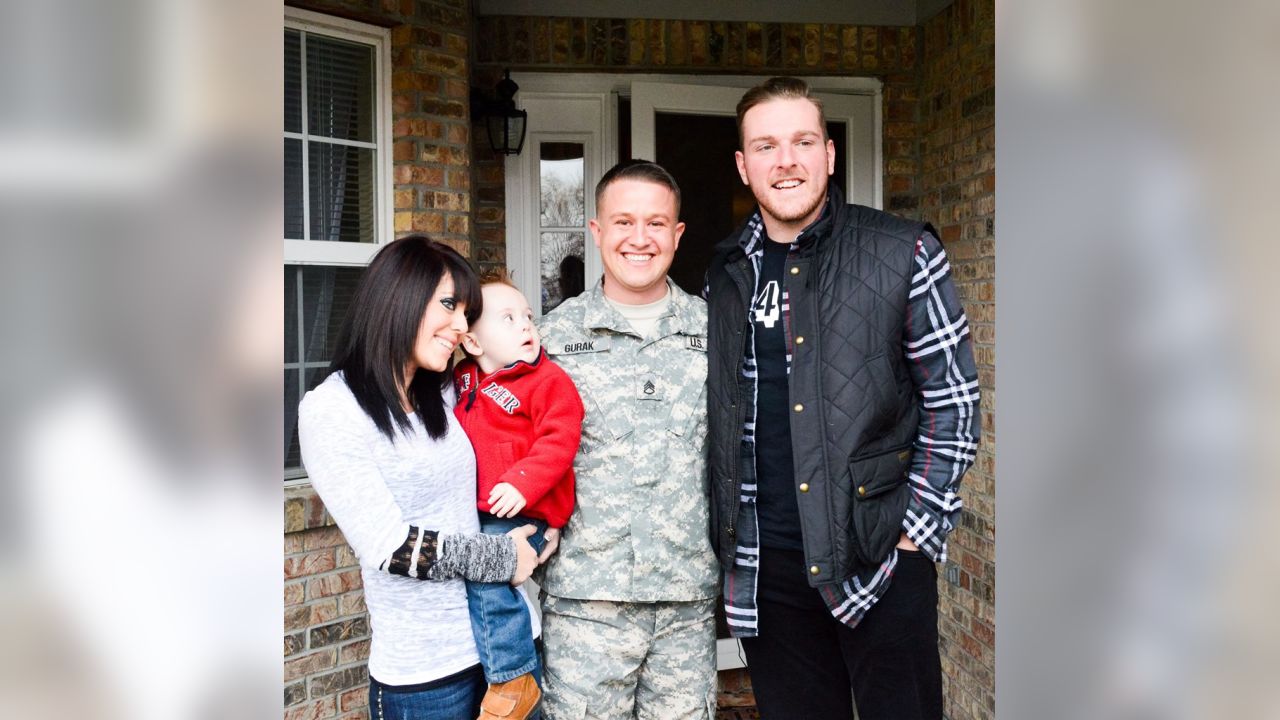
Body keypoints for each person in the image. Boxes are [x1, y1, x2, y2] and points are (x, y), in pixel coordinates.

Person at [704, 77, 981, 719]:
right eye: (766, 146)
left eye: (803, 141)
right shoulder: (726, 270)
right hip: (767, 568)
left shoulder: (902, 250)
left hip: (879, 557)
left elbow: (954, 400)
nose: (787, 160)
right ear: (745, 167)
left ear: (829, 154)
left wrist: (916, 534)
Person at [297, 235, 541, 720]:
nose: (460, 324)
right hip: (429, 675)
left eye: (466, 311)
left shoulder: (448, 393)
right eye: (448, 305)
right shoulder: (332, 410)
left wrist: (542, 532)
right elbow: (389, 546)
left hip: (510, 652)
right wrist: (502, 557)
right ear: (397, 296)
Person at [537, 160, 719, 719]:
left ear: (677, 234)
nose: (639, 239)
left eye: (656, 224)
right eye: (622, 222)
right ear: (596, 231)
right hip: (584, 604)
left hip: (686, 603)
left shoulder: (717, 332)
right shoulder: (551, 339)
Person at [453, 272, 585, 720]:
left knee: (488, 580)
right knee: (488, 582)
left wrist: (522, 480)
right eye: (508, 319)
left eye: (528, 316)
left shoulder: (545, 380)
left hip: (525, 510)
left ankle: (512, 678)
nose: (527, 326)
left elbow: (559, 438)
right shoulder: (464, 380)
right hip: (486, 510)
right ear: (472, 343)